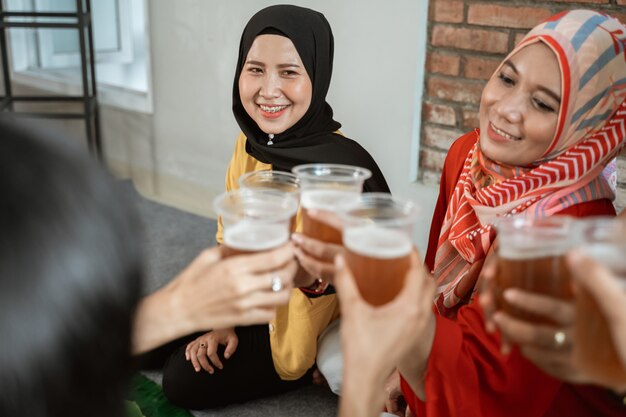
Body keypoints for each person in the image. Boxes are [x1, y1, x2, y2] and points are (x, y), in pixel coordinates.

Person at [393, 9, 626, 417]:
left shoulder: (575, 227)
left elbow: (487, 396)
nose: (506, 109)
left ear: (587, 123)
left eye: (541, 103)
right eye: (506, 78)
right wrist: (404, 372)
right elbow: (435, 277)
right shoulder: (465, 155)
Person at [160, 4, 390, 410]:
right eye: (254, 69)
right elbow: (228, 239)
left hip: (293, 330)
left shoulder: (342, 171)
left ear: (316, 76)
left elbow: (373, 284)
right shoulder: (248, 145)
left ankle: (303, 369)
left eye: (288, 72)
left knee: (180, 381)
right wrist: (222, 322)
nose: (268, 90)